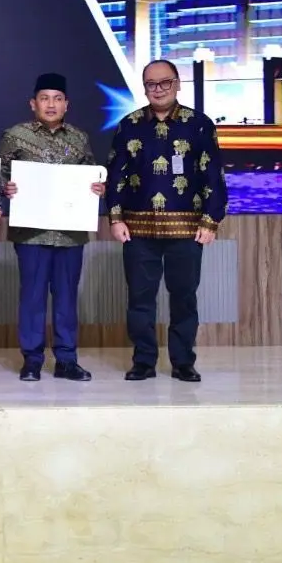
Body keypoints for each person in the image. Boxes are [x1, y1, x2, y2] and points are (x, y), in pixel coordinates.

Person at [104, 58, 226, 382]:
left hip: (187, 230)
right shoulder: (129, 125)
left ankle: (183, 362)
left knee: (184, 298)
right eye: (151, 84)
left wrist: (210, 221)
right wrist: (115, 218)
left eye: (165, 82)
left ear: (177, 84)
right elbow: (116, 175)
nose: (158, 89)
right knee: (139, 299)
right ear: (144, 88)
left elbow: (214, 174)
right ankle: (143, 361)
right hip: (137, 230)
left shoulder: (199, 124)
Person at [0, 72, 105, 382]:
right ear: (33, 103)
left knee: (66, 298)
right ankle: (32, 360)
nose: (51, 104)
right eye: (44, 98)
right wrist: (6, 187)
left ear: (66, 104)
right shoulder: (15, 135)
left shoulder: (79, 138)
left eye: (57, 99)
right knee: (32, 298)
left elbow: (92, 175)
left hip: (70, 234)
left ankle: (66, 360)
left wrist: (97, 188)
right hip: (31, 233)